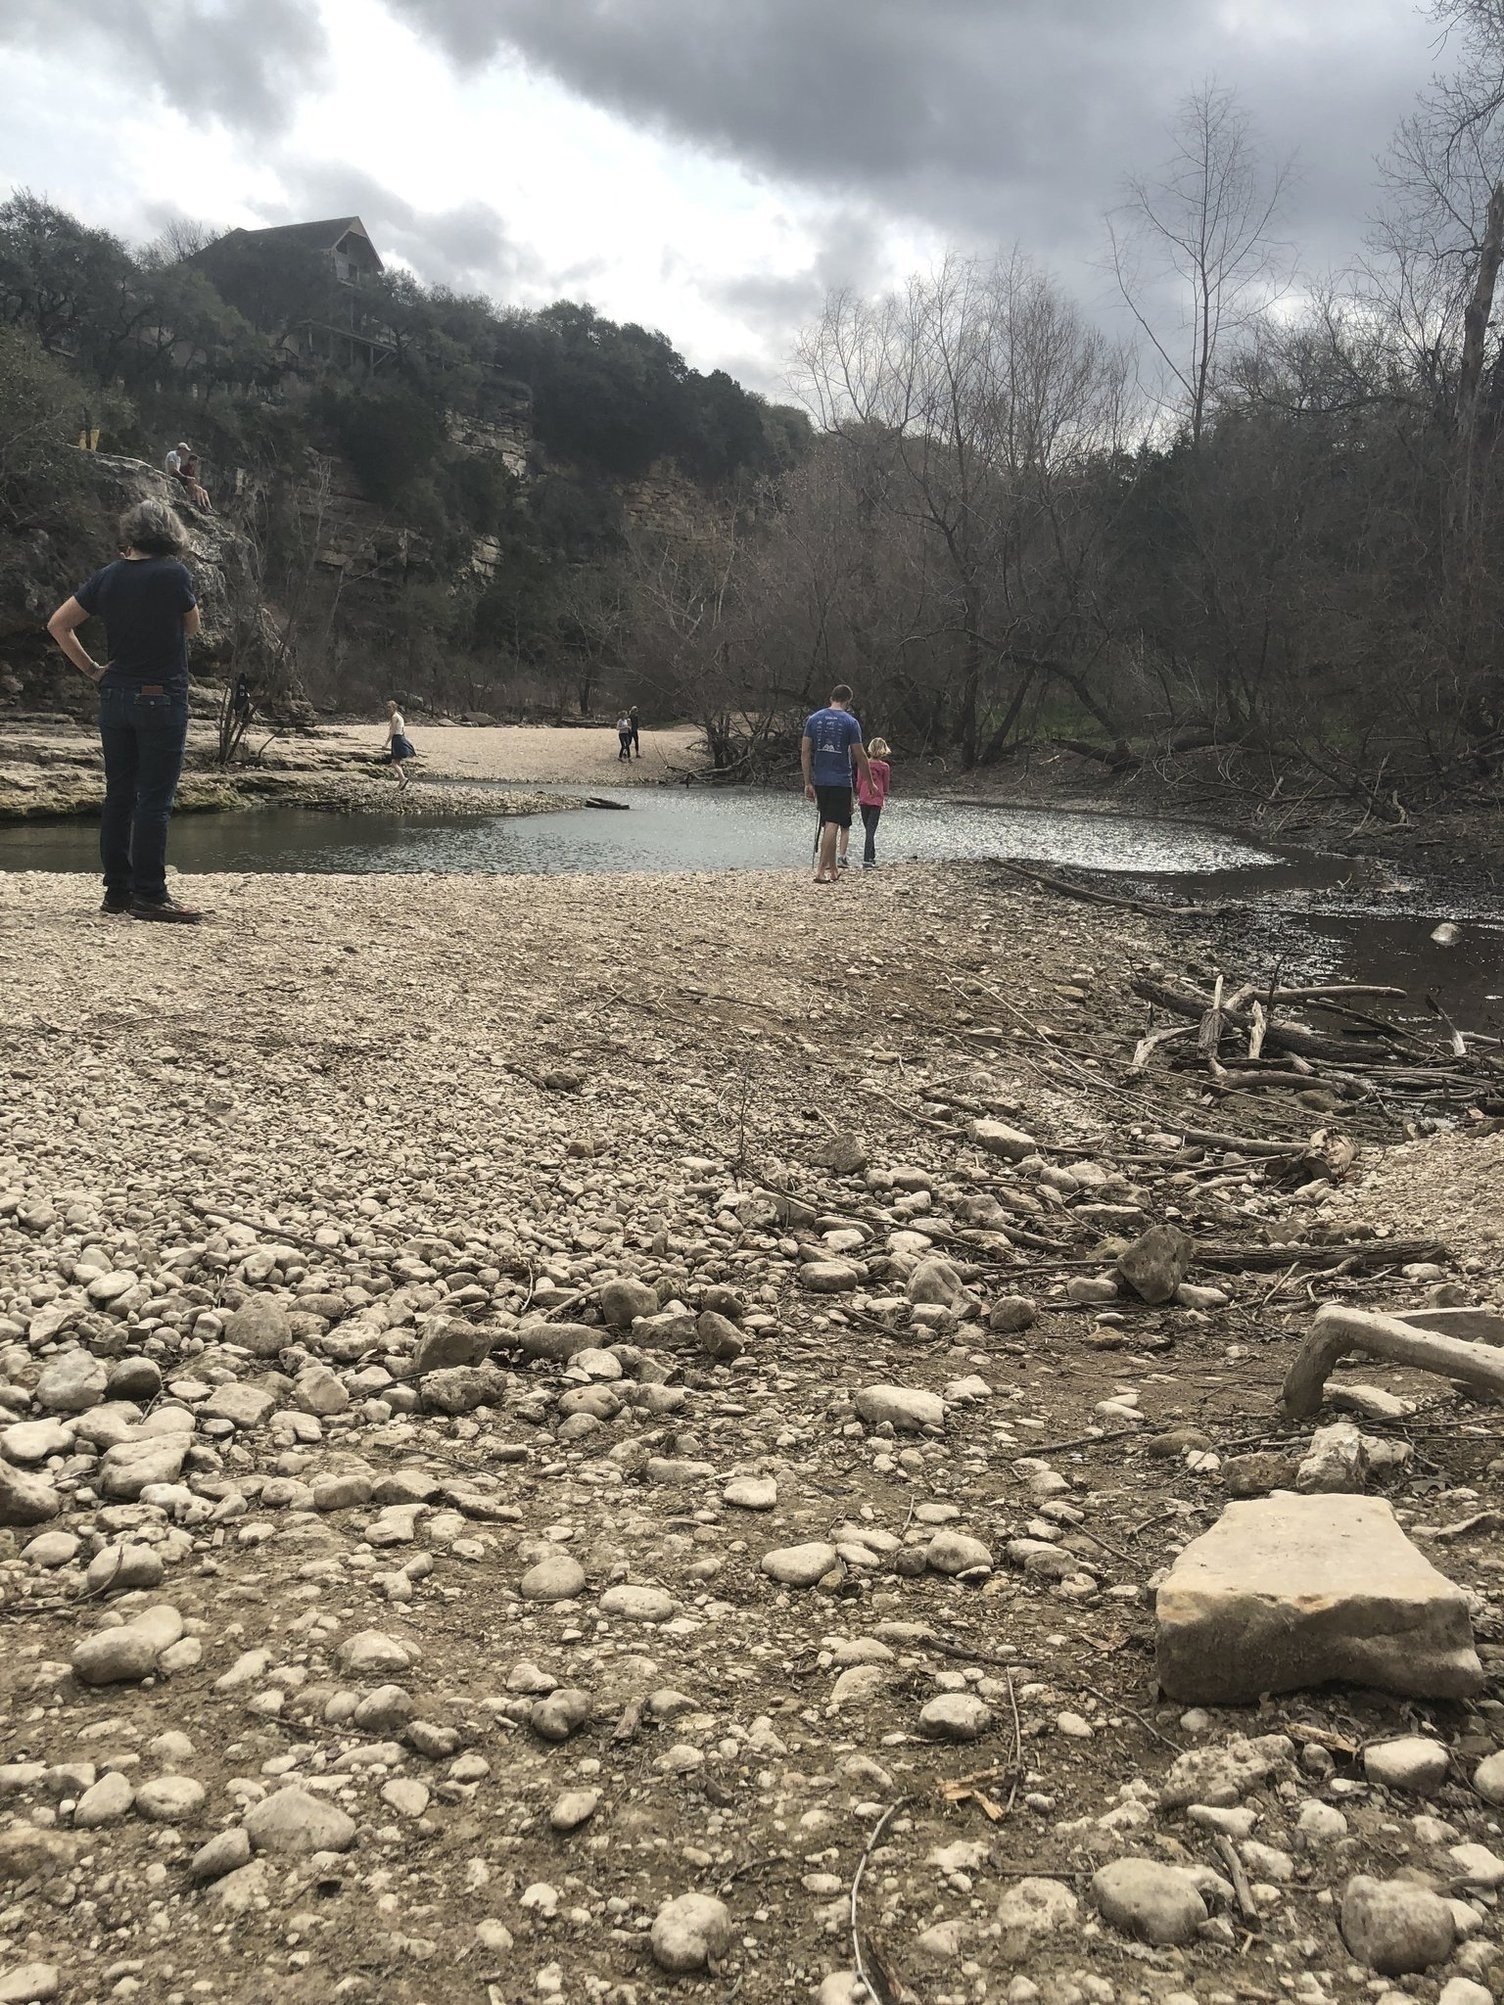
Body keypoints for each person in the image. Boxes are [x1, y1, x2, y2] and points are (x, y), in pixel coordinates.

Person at [46, 498, 203, 922]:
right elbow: (193, 626)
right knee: (154, 798)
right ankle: (150, 894)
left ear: (130, 533)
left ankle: (117, 891)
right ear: (170, 534)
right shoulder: (174, 573)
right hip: (161, 696)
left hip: (114, 697)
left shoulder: (107, 577)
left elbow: (58, 624)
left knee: (119, 795)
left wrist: (94, 671)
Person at [800, 682, 871, 885]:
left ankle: (833, 870)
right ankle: (821, 871)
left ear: (831, 697)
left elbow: (805, 751)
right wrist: (870, 782)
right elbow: (860, 754)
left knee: (827, 820)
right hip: (841, 780)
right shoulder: (851, 722)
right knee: (833, 823)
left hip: (821, 779)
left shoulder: (813, 719)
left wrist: (807, 781)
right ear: (848, 701)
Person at [850, 735, 892, 868]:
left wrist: (860, 791)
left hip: (863, 798)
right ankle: (867, 858)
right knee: (871, 830)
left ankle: (871, 856)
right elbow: (885, 786)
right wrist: (882, 792)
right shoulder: (885, 767)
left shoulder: (864, 764)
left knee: (868, 829)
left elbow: (858, 783)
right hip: (876, 800)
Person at [165, 441, 212, 512]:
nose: (186, 452)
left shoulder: (178, 458)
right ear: (181, 449)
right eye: (185, 450)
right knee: (191, 480)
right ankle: (193, 500)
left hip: (177, 475)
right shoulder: (172, 454)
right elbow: (173, 469)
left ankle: (206, 506)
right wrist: (184, 476)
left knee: (197, 485)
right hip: (173, 475)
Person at [385, 701, 417, 790]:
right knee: (397, 762)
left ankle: (403, 778)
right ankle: (400, 783)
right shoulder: (399, 716)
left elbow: (392, 731)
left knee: (394, 762)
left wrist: (386, 743)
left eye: (389, 707)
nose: (388, 709)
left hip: (397, 739)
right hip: (400, 737)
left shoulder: (395, 717)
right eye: (387, 707)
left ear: (394, 708)